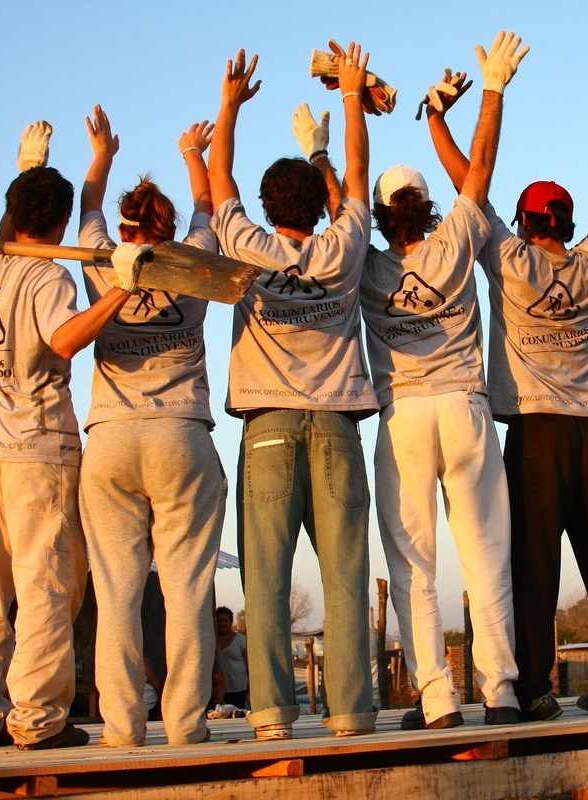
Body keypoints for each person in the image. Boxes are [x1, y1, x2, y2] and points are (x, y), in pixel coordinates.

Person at [428, 88, 588, 718]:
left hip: (537, 432)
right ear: (568, 226)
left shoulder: (511, 258)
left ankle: (534, 690)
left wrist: (437, 120)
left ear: (526, 223)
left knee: (533, 564)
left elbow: (469, 186)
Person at [0, 120, 140, 749]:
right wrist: (122, 290)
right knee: (46, 586)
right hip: (39, 451)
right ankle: (36, 718)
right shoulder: (48, 276)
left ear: (11, 212)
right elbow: (64, 339)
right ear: (59, 225)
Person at [208, 45, 378, 740]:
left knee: (265, 580)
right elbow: (358, 176)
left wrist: (229, 106)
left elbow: (218, 177)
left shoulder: (247, 246)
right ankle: (351, 711)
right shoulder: (344, 246)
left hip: (268, 426)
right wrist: (349, 96)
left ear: (266, 204)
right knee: (345, 577)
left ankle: (274, 714)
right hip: (337, 423)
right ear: (318, 205)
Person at [359, 32, 527, 731]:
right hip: (465, 407)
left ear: (379, 214)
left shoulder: (363, 263)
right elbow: (479, 169)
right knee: (486, 557)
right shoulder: (456, 235)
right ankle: (502, 691)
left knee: (413, 566)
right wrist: (491, 90)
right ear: (428, 206)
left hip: (403, 414)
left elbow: (341, 197)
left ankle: (435, 698)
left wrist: (346, 113)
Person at [76, 105, 227, 746]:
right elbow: (207, 209)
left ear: (126, 227)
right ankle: (187, 724)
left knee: (117, 590)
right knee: (188, 586)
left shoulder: (97, 258)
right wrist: (194, 154)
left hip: (111, 435)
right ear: (167, 228)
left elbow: (89, 205)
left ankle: (121, 726)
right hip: (180, 434)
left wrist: (102, 157)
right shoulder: (196, 261)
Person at [212, 606, 249, 709]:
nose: (222, 624)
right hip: (219, 691)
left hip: (239, 688)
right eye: (219, 620)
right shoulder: (211, 640)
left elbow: (249, 664)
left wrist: (251, 686)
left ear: (231, 622)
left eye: (225, 621)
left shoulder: (240, 640)